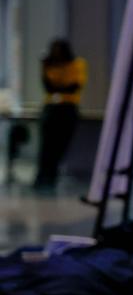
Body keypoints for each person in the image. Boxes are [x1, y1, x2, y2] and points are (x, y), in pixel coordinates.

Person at [34, 39, 86, 189]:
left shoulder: (77, 64)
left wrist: (58, 87)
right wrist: (45, 68)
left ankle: (52, 175)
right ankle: (41, 176)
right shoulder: (49, 65)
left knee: (59, 145)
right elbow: (48, 88)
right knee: (46, 145)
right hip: (51, 108)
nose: (56, 53)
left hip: (68, 109)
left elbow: (74, 86)